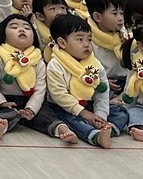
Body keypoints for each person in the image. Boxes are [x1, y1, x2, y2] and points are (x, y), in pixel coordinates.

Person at [0, 14, 77, 143]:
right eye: (14, 27)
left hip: (31, 99)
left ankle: (61, 129)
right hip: (5, 99)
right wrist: (1, 102)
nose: (22, 29)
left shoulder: (38, 61)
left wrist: (31, 109)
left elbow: (40, 89)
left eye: (27, 28)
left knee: (45, 114)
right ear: (3, 36)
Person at [45, 14, 130, 148]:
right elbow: (59, 95)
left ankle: (107, 129)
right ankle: (95, 136)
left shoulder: (95, 63)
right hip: (65, 107)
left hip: (89, 105)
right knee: (72, 120)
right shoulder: (55, 65)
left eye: (89, 39)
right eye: (80, 39)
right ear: (62, 43)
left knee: (121, 112)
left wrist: (100, 116)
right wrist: (84, 113)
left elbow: (102, 92)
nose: (86, 44)